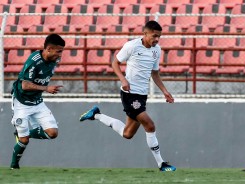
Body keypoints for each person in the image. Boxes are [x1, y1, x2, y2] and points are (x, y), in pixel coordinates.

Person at [79, 20, 176, 172]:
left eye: (159, 37)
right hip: (129, 94)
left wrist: (164, 91)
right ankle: (161, 163)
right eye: (154, 36)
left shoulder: (157, 50)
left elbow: (155, 73)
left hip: (141, 96)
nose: (157, 39)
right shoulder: (131, 46)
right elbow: (115, 63)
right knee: (150, 125)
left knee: (127, 133)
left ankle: (96, 115)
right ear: (145, 33)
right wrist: (123, 79)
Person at [10, 34, 65, 169]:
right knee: (24, 141)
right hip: (22, 102)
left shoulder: (54, 60)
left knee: (52, 133)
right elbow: (25, 85)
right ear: (49, 49)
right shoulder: (33, 61)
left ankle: (21, 133)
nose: (60, 55)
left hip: (37, 102)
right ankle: (14, 166)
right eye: (59, 51)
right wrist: (46, 88)